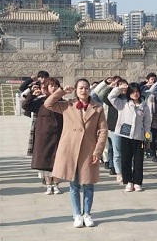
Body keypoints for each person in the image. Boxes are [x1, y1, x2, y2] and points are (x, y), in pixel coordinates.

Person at [44, 79, 108, 228]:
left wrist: (98, 150)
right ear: (76, 90)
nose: (83, 91)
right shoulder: (68, 105)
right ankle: (77, 214)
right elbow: (48, 104)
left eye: (86, 88)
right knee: (74, 184)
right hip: (71, 149)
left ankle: (87, 214)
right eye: (80, 88)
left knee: (88, 184)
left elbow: (103, 130)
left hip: (88, 150)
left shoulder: (97, 108)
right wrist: (61, 91)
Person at [108, 81, 152, 192]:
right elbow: (111, 97)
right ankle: (128, 181)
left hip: (139, 137)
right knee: (126, 160)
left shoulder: (144, 106)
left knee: (138, 161)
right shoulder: (123, 104)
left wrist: (147, 138)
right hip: (125, 136)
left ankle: (137, 182)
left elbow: (147, 124)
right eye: (133, 92)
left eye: (137, 92)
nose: (135, 94)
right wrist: (119, 88)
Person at [23, 77, 64, 195]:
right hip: (44, 136)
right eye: (52, 86)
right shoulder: (40, 101)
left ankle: (56, 184)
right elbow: (26, 106)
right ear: (46, 88)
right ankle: (48, 185)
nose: (54, 88)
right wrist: (32, 95)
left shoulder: (62, 102)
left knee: (58, 161)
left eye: (56, 85)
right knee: (45, 162)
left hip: (59, 135)